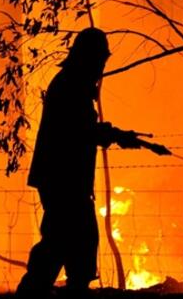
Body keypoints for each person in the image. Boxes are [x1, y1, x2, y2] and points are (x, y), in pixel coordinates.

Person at [16, 27, 158, 296]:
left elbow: (83, 130)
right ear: (88, 57)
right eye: (100, 60)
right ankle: (35, 294)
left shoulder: (72, 83)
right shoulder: (71, 86)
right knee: (65, 240)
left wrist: (114, 135)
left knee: (71, 241)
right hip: (62, 180)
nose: (101, 66)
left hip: (66, 180)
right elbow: (79, 131)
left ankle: (62, 291)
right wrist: (114, 135)